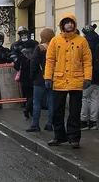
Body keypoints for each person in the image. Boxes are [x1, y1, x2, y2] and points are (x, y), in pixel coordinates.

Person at [45, 14, 92, 149]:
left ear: (75, 25)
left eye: (71, 23)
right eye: (67, 23)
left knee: (74, 112)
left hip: (76, 81)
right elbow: (50, 61)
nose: (69, 25)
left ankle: (74, 138)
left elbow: (87, 61)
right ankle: (59, 136)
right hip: (59, 81)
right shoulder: (55, 41)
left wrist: (87, 77)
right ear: (62, 25)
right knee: (57, 111)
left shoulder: (81, 41)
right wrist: (48, 77)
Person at [27, 28, 55, 132]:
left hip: (39, 79)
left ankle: (35, 125)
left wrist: (32, 77)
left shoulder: (39, 48)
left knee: (37, 102)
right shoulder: (56, 47)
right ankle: (50, 124)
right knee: (51, 102)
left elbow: (33, 64)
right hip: (52, 78)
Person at [11, 26, 38, 119]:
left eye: (25, 34)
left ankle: (28, 109)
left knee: (31, 94)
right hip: (29, 73)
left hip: (31, 73)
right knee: (30, 94)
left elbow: (16, 63)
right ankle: (29, 110)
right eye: (22, 34)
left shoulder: (33, 44)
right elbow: (13, 57)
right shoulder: (17, 45)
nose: (24, 36)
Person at [80, 24, 99, 130]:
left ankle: (83, 121)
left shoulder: (84, 42)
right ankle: (93, 122)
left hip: (88, 74)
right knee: (95, 98)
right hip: (98, 74)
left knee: (85, 98)